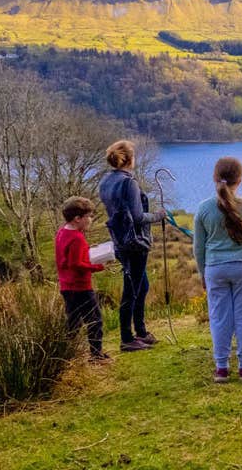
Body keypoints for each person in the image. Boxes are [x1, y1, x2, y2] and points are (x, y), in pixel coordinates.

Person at [193, 157, 242, 383]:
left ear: (215, 178)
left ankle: (222, 368)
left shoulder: (204, 208)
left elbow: (198, 247)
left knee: (219, 318)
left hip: (215, 268)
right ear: (240, 180)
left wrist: (203, 272)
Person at [99, 140, 166, 352]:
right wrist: (158, 215)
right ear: (129, 159)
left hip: (120, 241)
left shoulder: (106, 180)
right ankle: (127, 338)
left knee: (141, 285)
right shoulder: (129, 183)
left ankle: (141, 331)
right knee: (132, 290)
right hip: (135, 243)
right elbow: (137, 217)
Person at [55, 197, 110, 362]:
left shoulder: (62, 232)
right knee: (95, 320)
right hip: (80, 287)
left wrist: (88, 251)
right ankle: (96, 355)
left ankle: (64, 356)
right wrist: (98, 266)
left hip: (66, 286)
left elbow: (68, 258)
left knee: (74, 323)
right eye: (88, 216)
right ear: (77, 218)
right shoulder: (77, 237)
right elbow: (76, 264)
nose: (91, 220)